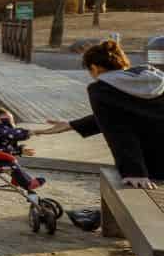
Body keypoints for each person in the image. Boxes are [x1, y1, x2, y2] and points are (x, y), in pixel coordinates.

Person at [34, 40, 164, 189]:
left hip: (152, 165)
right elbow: (131, 116)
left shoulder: (101, 89)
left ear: (94, 68)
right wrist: (72, 125)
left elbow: (119, 131)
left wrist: (134, 171)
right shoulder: (157, 80)